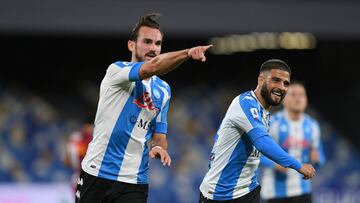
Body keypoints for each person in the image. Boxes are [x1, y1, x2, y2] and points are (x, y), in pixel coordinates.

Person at [76, 13, 212, 203]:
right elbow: (153, 67)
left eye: (157, 44)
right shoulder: (117, 71)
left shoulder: (163, 90)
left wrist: (158, 148)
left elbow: (159, 136)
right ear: (131, 45)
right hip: (98, 173)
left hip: (135, 181)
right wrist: (188, 53)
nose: (153, 48)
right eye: (147, 42)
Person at [199, 59, 316, 203]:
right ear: (261, 80)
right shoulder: (245, 103)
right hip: (220, 194)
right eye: (276, 80)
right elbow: (262, 142)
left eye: (286, 83)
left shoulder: (264, 112)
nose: (281, 87)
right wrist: (298, 165)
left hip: (248, 190)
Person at [260, 81, 325, 203]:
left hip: (303, 191)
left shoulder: (313, 126)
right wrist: (275, 165)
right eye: (293, 94)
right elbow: (258, 155)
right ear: (284, 99)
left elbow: (320, 156)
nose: (298, 98)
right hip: (275, 193)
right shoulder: (272, 123)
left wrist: (317, 159)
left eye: (301, 95)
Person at [63, 122, 93, 191]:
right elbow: (65, 160)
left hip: (89, 173)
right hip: (80, 172)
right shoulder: (76, 138)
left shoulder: (92, 139)